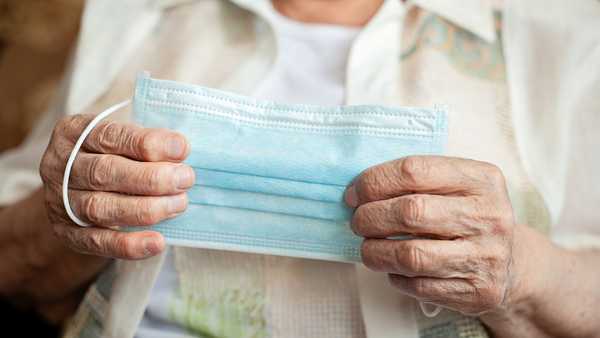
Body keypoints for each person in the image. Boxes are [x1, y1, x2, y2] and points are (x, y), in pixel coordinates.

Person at [0, 0, 599, 337]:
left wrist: (519, 270)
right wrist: (70, 209)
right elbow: (11, 263)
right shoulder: (136, 13)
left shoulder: (562, 34)